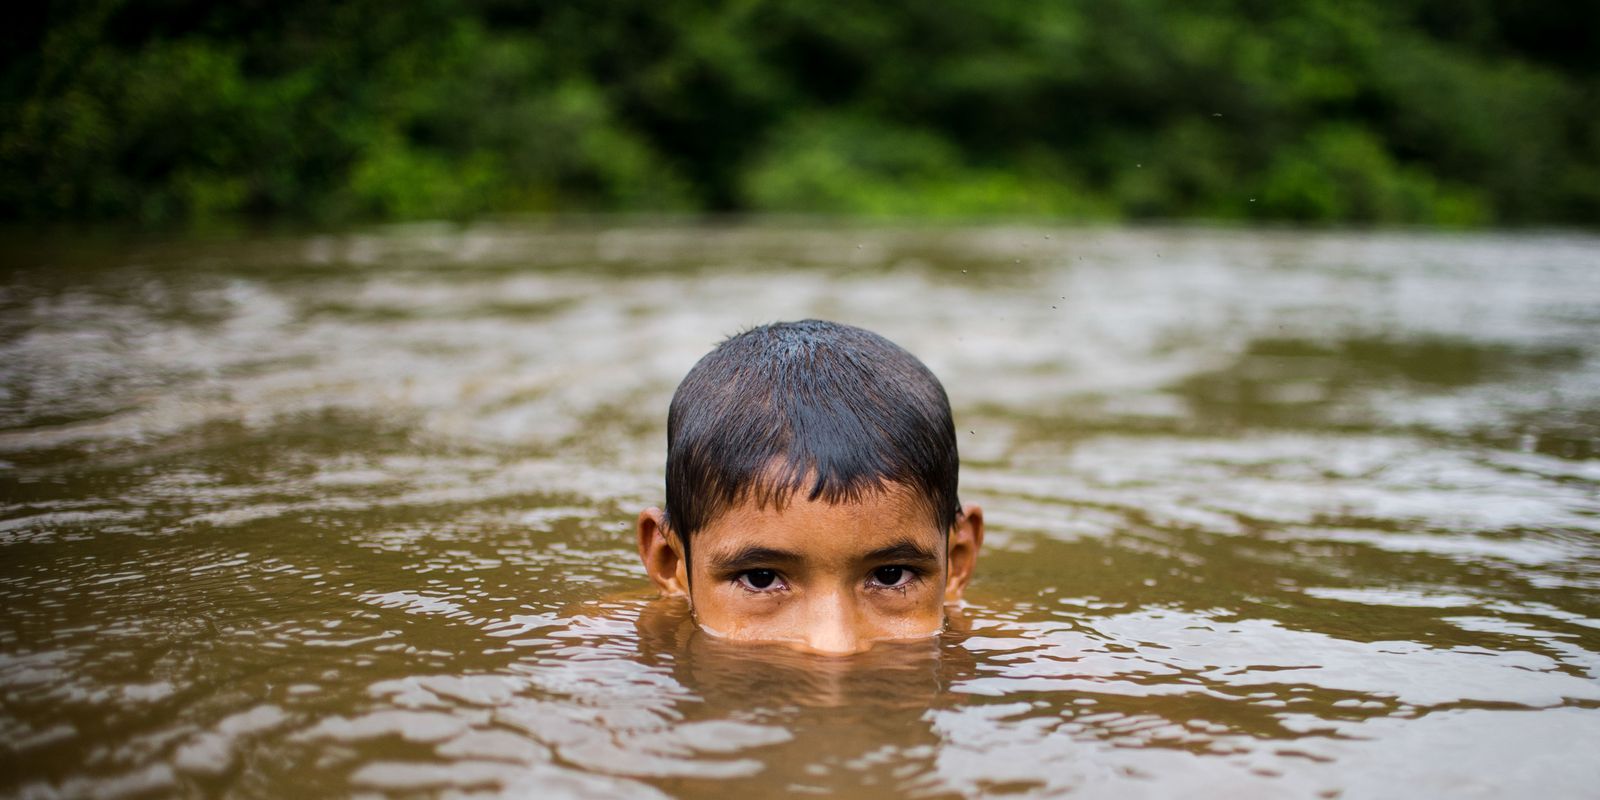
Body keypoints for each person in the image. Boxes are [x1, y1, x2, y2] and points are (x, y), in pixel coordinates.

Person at [635, 319, 983, 655]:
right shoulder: (604, 664)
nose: (834, 646)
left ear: (956, 560)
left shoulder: (1018, 665)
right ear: (670, 563)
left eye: (891, 576)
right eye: (761, 578)